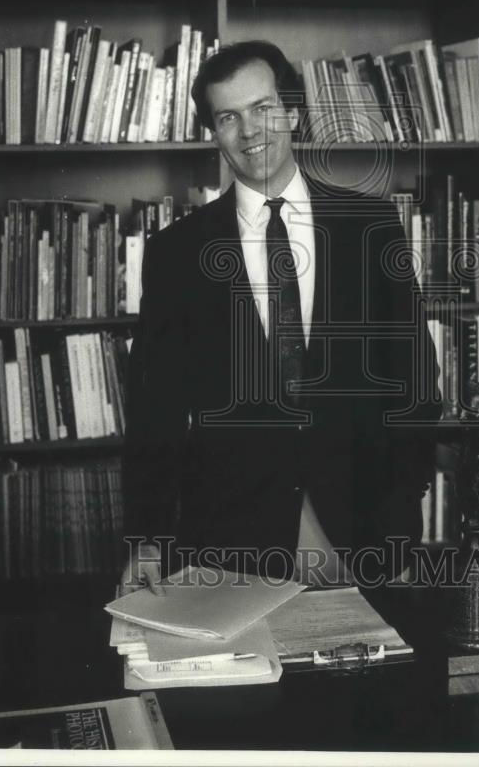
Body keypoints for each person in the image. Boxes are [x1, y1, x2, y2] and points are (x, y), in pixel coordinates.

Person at [121, 40, 442, 593]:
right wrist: (147, 538)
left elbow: (414, 375)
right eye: (229, 117)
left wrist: (402, 508)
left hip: (366, 530)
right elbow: (157, 411)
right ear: (214, 132)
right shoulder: (175, 252)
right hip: (230, 545)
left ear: (292, 112)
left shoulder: (370, 226)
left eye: (263, 108)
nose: (250, 132)